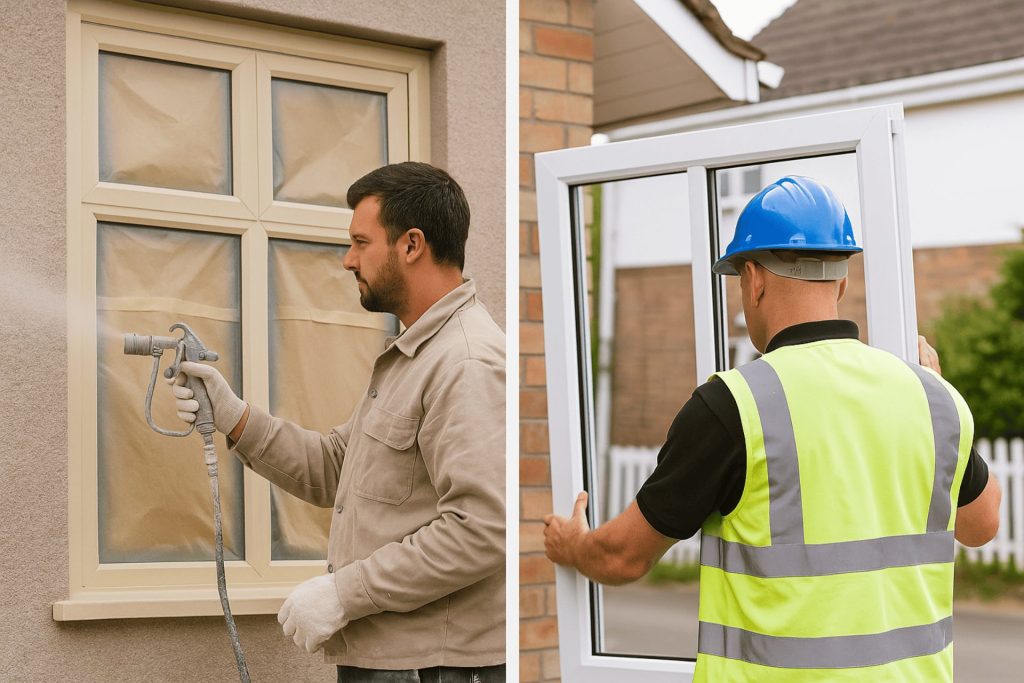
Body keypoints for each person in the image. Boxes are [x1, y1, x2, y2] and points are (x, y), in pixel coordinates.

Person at [544, 176, 1001, 682]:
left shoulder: (733, 406)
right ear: (842, 283)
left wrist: (572, 545)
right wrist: (937, 391)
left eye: (740, 280)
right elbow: (982, 526)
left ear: (756, 279)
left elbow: (623, 556)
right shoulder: (932, 397)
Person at [170, 162, 506, 682]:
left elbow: (482, 529)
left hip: (430, 670)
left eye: (360, 242)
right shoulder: (415, 355)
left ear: (411, 244)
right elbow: (335, 467)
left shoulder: (463, 361)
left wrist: (344, 593)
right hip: (390, 661)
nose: (348, 260)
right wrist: (234, 417)